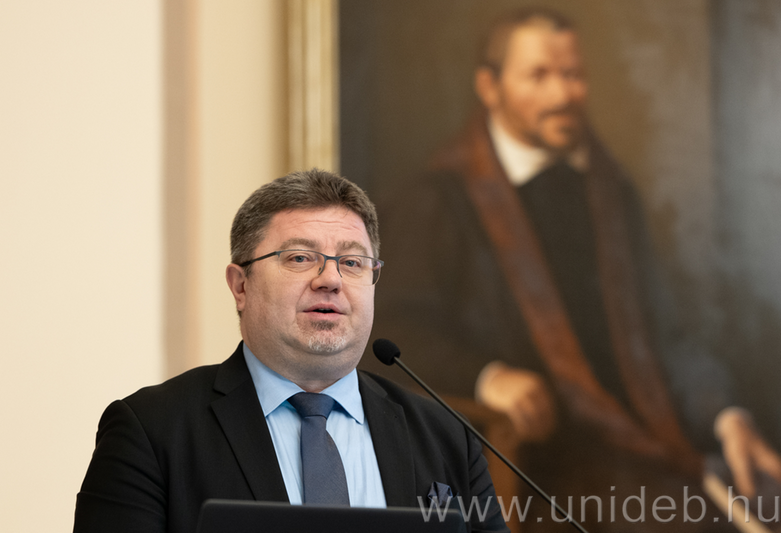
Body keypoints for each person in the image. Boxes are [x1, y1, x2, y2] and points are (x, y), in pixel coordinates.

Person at [364, 7, 781, 532]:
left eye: (573, 75)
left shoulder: (611, 197)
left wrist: (727, 419)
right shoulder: (438, 200)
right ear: (489, 87)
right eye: (539, 76)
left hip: (639, 451)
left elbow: (667, 340)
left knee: (774, 508)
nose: (563, 94)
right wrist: (486, 378)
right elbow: (389, 333)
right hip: (529, 468)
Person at [73, 169, 508, 533]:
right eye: (300, 258)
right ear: (240, 286)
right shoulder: (152, 432)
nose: (330, 280)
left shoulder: (446, 436)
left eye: (352, 262)